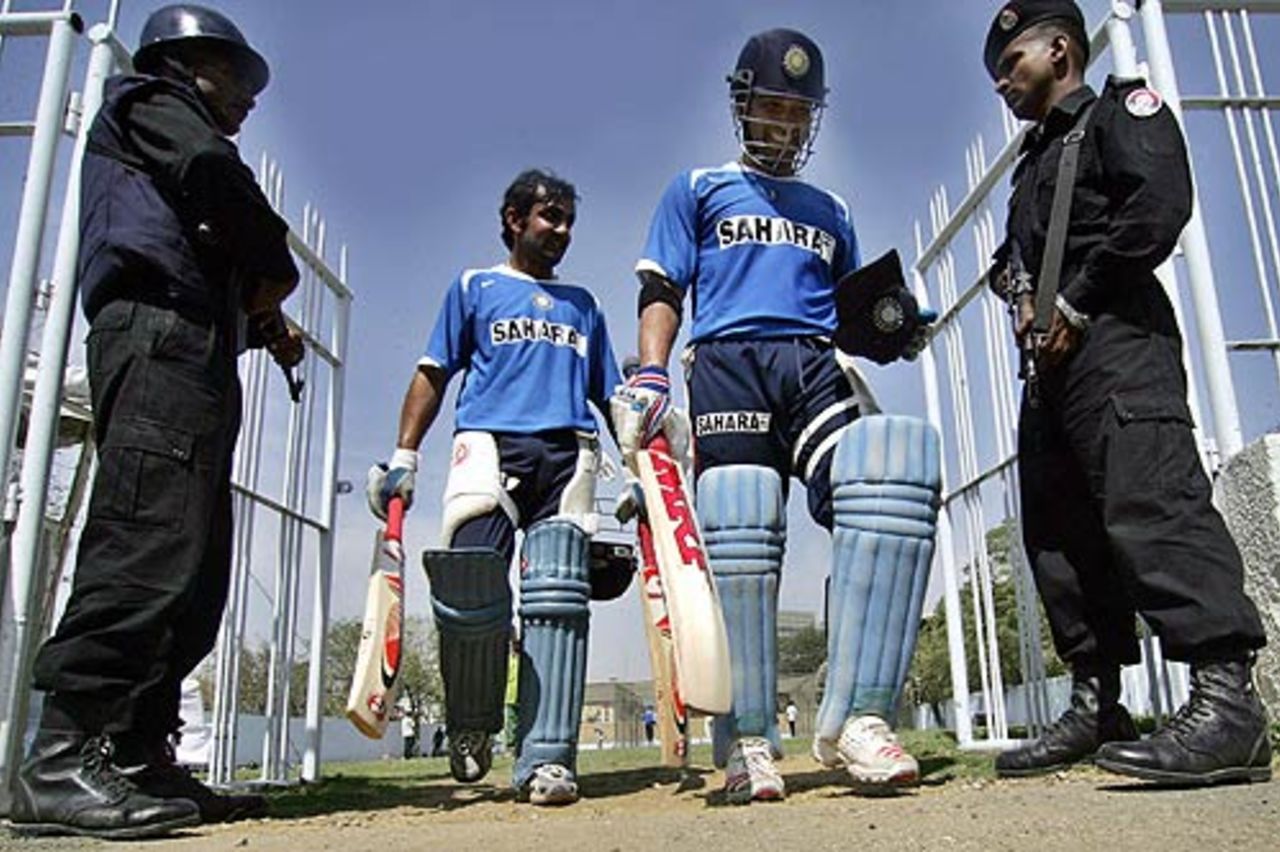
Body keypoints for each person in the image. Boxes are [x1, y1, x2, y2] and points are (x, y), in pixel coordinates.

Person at [614, 28, 941, 804]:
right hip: (729, 365)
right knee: (741, 519)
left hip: (813, 365)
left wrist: (897, 324)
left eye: (799, 112)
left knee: (890, 479)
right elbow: (662, 287)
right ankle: (748, 740)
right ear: (742, 104)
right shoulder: (696, 187)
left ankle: (859, 719)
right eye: (771, 107)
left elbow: (853, 311)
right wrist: (654, 372)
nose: (784, 125)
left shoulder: (831, 208)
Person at [10, 4, 302, 839]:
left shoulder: (173, 147)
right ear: (181, 64)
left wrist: (260, 316)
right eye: (233, 78)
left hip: (193, 346)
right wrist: (271, 261)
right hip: (155, 336)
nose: (245, 99)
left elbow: (205, 232)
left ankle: (137, 753)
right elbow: (218, 175)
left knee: (192, 564)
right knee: (143, 539)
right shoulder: (150, 106)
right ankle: (57, 758)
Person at [983, 0, 1270, 785]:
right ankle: (1096, 700)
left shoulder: (1121, 113)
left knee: (1152, 501)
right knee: (1059, 534)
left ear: (1060, 48)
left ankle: (1227, 703)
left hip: (1116, 341)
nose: (1003, 83)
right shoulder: (1032, 164)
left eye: (1012, 65)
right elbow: (1017, 256)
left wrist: (1075, 298)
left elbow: (1158, 204)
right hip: (1052, 368)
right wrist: (1020, 297)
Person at [367, 169, 625, 806]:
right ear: (514, 219)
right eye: (549, 217)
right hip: (487, 446)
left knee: (559, 604)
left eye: (568, 221)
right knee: (471, 591)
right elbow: (433, 372)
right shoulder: (475, 288)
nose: (561, 231)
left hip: (566, 455)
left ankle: (547, 759)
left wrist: (643, 474)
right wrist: (405, 453)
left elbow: (611, 397)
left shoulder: (584, 305)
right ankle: (471, 727)